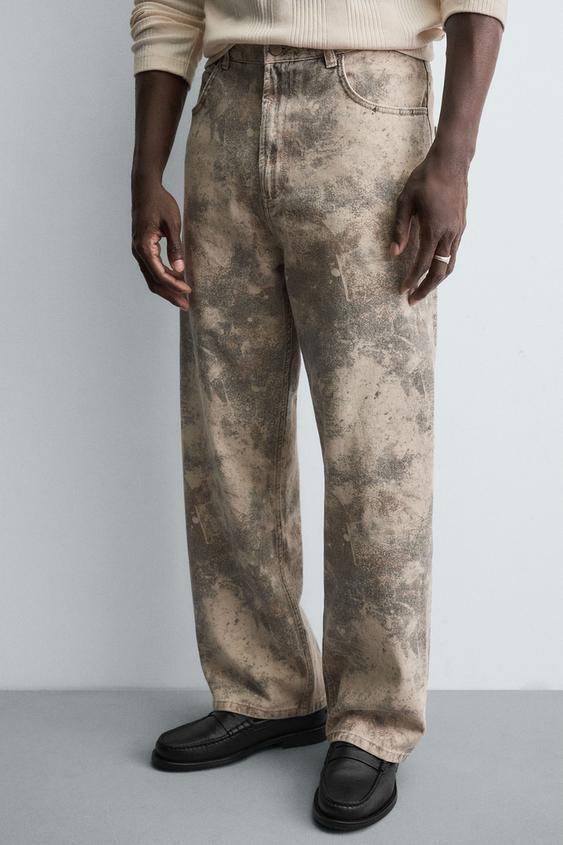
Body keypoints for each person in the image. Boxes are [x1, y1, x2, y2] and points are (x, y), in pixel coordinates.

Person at [130, 0, 504, 831]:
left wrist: (452, 158)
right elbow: (167, 7)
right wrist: (145, 172)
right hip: (224, 115)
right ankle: (264, 688)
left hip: (366, 120)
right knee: (227, 435)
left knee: (376, 445)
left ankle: (373, 719)